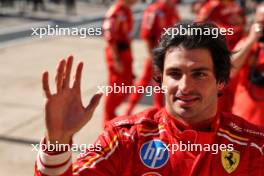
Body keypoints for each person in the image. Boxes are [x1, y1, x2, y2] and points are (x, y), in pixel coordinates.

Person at [35, 22, 264, 176]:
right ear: (160, 79)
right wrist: (58, 141)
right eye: (174, 74)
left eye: (200, 74)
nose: (184, 87)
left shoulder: (253, 146)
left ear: (221, 81)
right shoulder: (125, 138)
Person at [125, 0, 180, 115]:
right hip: (156, 55)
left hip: (170, 56)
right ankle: (128, 110)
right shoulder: (154, 11)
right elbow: (146, 36)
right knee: (144, 83)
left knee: (162, 85)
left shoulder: (173, 10)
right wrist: (153, 58)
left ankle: (160, 111)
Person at [195, 0, 246, 113]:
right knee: (221, 93)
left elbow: (243, 23)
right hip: (221, 55)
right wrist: (230, 30)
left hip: (239, 53)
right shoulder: (213, 5)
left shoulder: (235, 4)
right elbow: (199, 26)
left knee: (235, 92)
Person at [102, 0, 137, 124]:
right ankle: (108, 118)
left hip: (125, 52)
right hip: (117, 53)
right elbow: (110, 37)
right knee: (115, 86)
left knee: (127, 84)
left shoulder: (126, 10)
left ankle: (111, 114)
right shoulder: (115, 12)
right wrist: (116, 59)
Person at [231, 4, 264, 126]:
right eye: (260, 23)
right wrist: (251, 40)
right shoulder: (246, 43)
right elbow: (229, 70)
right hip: (245, 121)